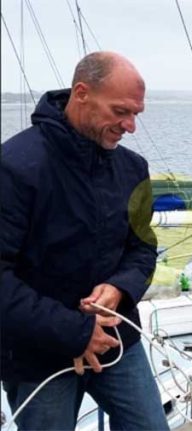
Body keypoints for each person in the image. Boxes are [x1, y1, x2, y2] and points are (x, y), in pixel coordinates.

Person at [1, 51, 168, 430]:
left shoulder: (132, 169)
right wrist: (76, 332)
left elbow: (143, 248)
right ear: (81, 94)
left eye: (136, 114)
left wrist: (119, 288)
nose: (130, 126)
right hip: (37, 354)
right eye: (121, 111)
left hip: (115, 338)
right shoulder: (14, 166)